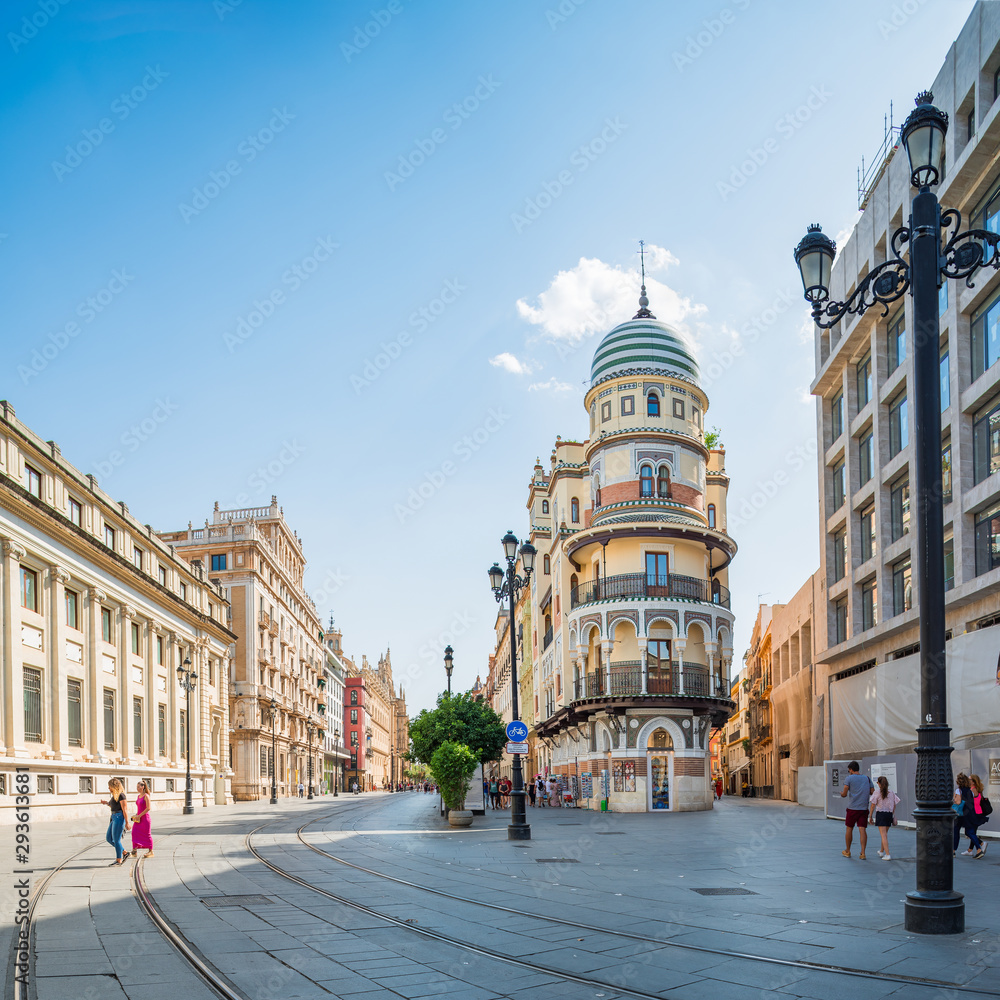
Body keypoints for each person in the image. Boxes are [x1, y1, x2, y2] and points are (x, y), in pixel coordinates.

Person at [839, 761, 873, 859]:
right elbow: (872, 792)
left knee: (849, 828)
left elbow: (844, 794)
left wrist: (841, 793)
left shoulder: (849, 778)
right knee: (862, 829)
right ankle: (863, 853)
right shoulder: (867, 778)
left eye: (849, 770)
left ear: (851, 769)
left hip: (852, 808)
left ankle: (848, 850)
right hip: (863, 808)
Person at [868, 775, 900, 860]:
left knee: (883, 835)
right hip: (889, 814)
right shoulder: (892, 793)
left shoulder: (877, 792)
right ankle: (881, 851)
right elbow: (894, 805)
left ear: (878, 784)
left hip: (881, 814)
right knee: (885, 834)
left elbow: (873, 805)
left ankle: (888, 854)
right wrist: (892, 814)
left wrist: (870, 816)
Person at [101, 778, 130, 867]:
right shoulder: (115, 796)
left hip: (119, 817)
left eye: (109, 786)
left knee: (116, 840)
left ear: (114, 786)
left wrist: (127, 823)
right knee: (109, 838)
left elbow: (124, 809)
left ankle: (119, 860)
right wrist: (106, 803)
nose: (109, 788)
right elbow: (113, 806)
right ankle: (124, 852)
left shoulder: (121, 795)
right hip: (114, 817)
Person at [130, 779, 154, 859]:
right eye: (136, 787)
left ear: (143, 787)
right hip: (138, 818)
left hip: (145, 819)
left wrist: (139, 815)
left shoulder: (146, 796)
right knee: (134, 833)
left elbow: (148, 808)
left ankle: (150, 851)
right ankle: (134, 851)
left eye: (138, 787)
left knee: (147, 834)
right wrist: (137, 815)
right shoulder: (138, 796)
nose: (137, 788)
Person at [969, 774, 990, 859]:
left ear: (973, 781)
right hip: (977, 813)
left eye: (969, 779)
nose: (968, 780)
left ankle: (981, 844)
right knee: (972, 832)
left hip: (976, 814)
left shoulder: (974, 790)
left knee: (970, 832)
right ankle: (970, 850)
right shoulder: (976, 789)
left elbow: (976, 802)